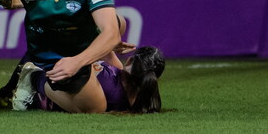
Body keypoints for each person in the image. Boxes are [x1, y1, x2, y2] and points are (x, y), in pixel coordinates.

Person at [16, 44, 165, 114]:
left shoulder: (109, 84)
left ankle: (31, 78)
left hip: (41, 92)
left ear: (130, 61)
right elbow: (105, 51)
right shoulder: (137, 94)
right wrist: (109, 41)